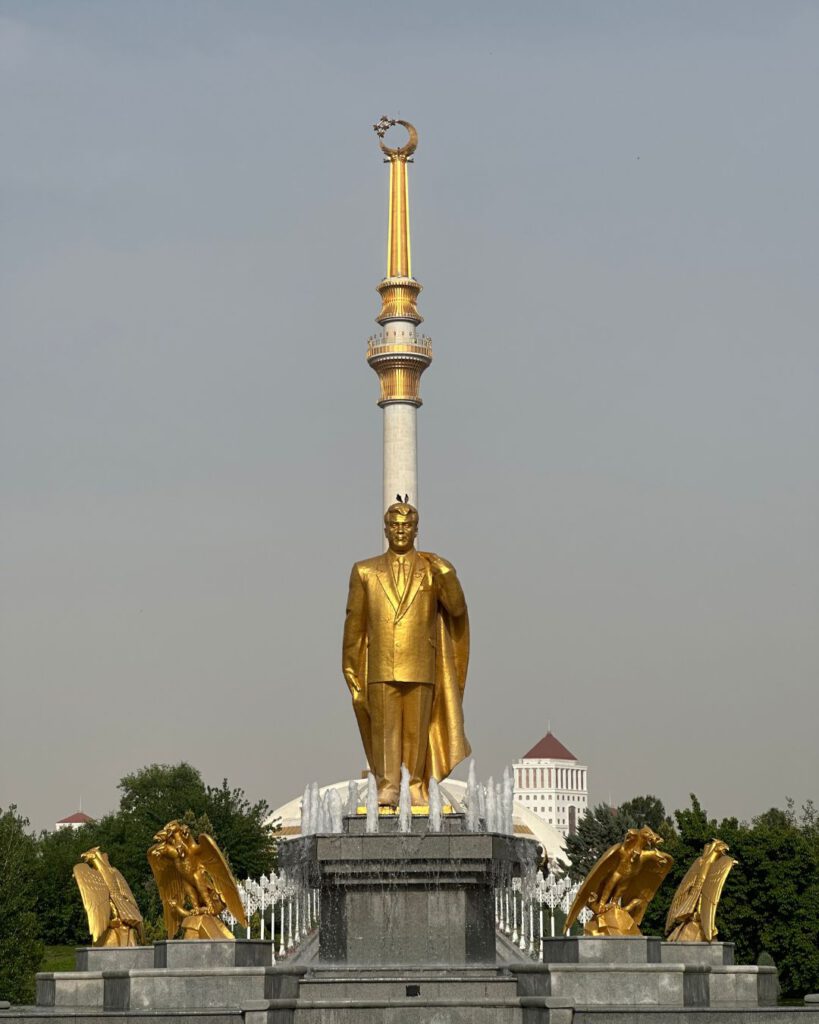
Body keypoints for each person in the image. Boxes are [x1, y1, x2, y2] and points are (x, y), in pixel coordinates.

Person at [342, 501, 470, 805]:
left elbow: (456, 610)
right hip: (381, 666)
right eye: (395, 525)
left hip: (421, 664)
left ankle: (415, 785)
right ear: (385, 530)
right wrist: (351, 671)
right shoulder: (365, 571)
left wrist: (448, 574)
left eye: (407, 525)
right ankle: (387, 785)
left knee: (416, 732)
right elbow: (354, 626)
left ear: (416, 529)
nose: (401, 531)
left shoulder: (432, 570)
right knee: (385, 731)